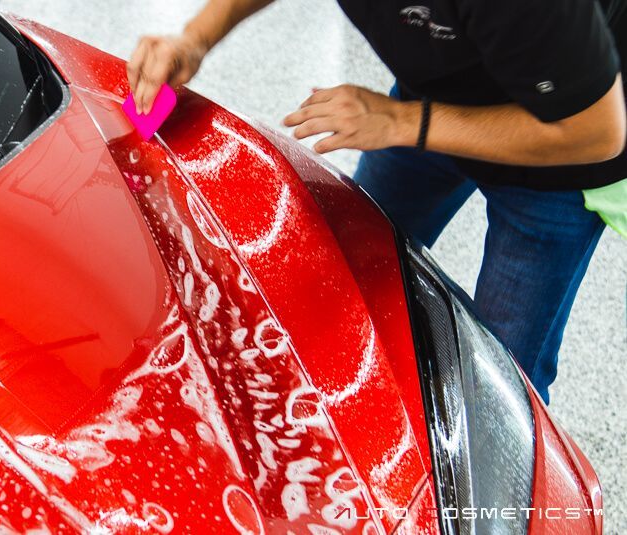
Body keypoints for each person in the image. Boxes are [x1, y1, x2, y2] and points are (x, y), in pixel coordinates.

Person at [127, 0, 627, 403]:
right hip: (427, 95)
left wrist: (401, 123)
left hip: (559, 149)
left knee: (502, 386)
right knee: (348, 268)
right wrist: (194, 38)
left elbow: (597, 132)